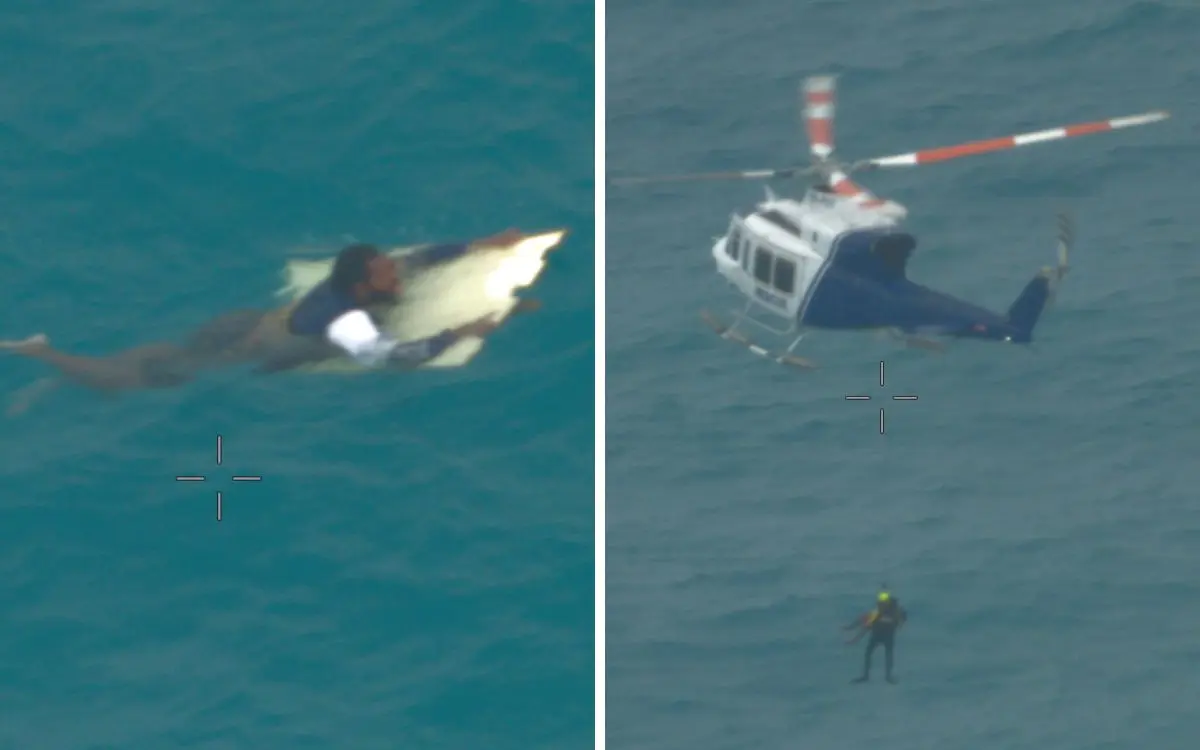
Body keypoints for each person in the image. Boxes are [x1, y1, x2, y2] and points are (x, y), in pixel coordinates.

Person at [0, 228, 532, 409]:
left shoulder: (350, 281)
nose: (396, 272)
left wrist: (483, 245)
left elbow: (421, 257)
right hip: (244, 352)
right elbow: (393, 357)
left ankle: (50, 371)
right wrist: (467, 330)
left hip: (246, 323)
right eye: (385, 271)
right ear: (362, 284)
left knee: (168, 355)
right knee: (133, 385)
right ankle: (44, 355)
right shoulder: (345, 321)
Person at [843, 586, 907, 684]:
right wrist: (852, 634)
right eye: (880, 600)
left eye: (884, 600)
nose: (881, 604)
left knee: (888, 655)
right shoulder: (876, 613)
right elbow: (864, 624)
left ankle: (888, 676)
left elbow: (901, 619)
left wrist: (900, 622)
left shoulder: (895, 611)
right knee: (868, 653)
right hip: (877, 635)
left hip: (887, 636)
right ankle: (866, 676)